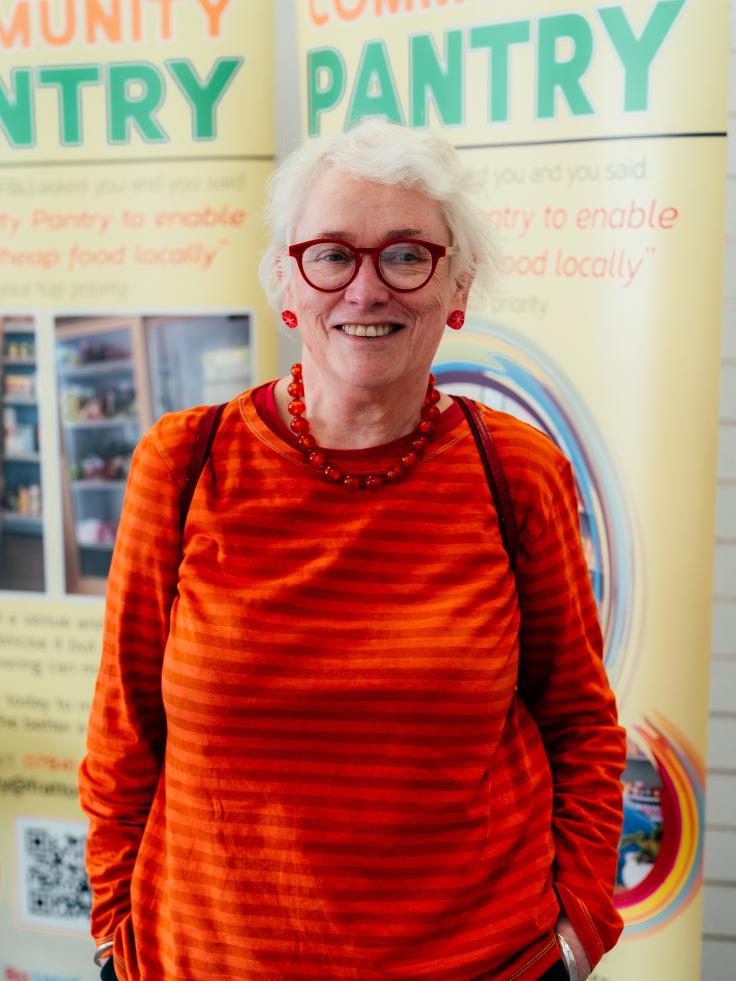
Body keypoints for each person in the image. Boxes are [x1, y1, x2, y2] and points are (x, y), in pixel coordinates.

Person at [79, 119, 626, 981]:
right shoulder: (183, 463)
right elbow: (125, 733)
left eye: (406, 254)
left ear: (457, 284)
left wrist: (579, 931)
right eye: (332, 254)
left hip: (482, 963)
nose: (367, 289)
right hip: (202, 961)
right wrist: (113, 928)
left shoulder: (516, 472)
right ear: (287, 283)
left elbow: (580, 724)